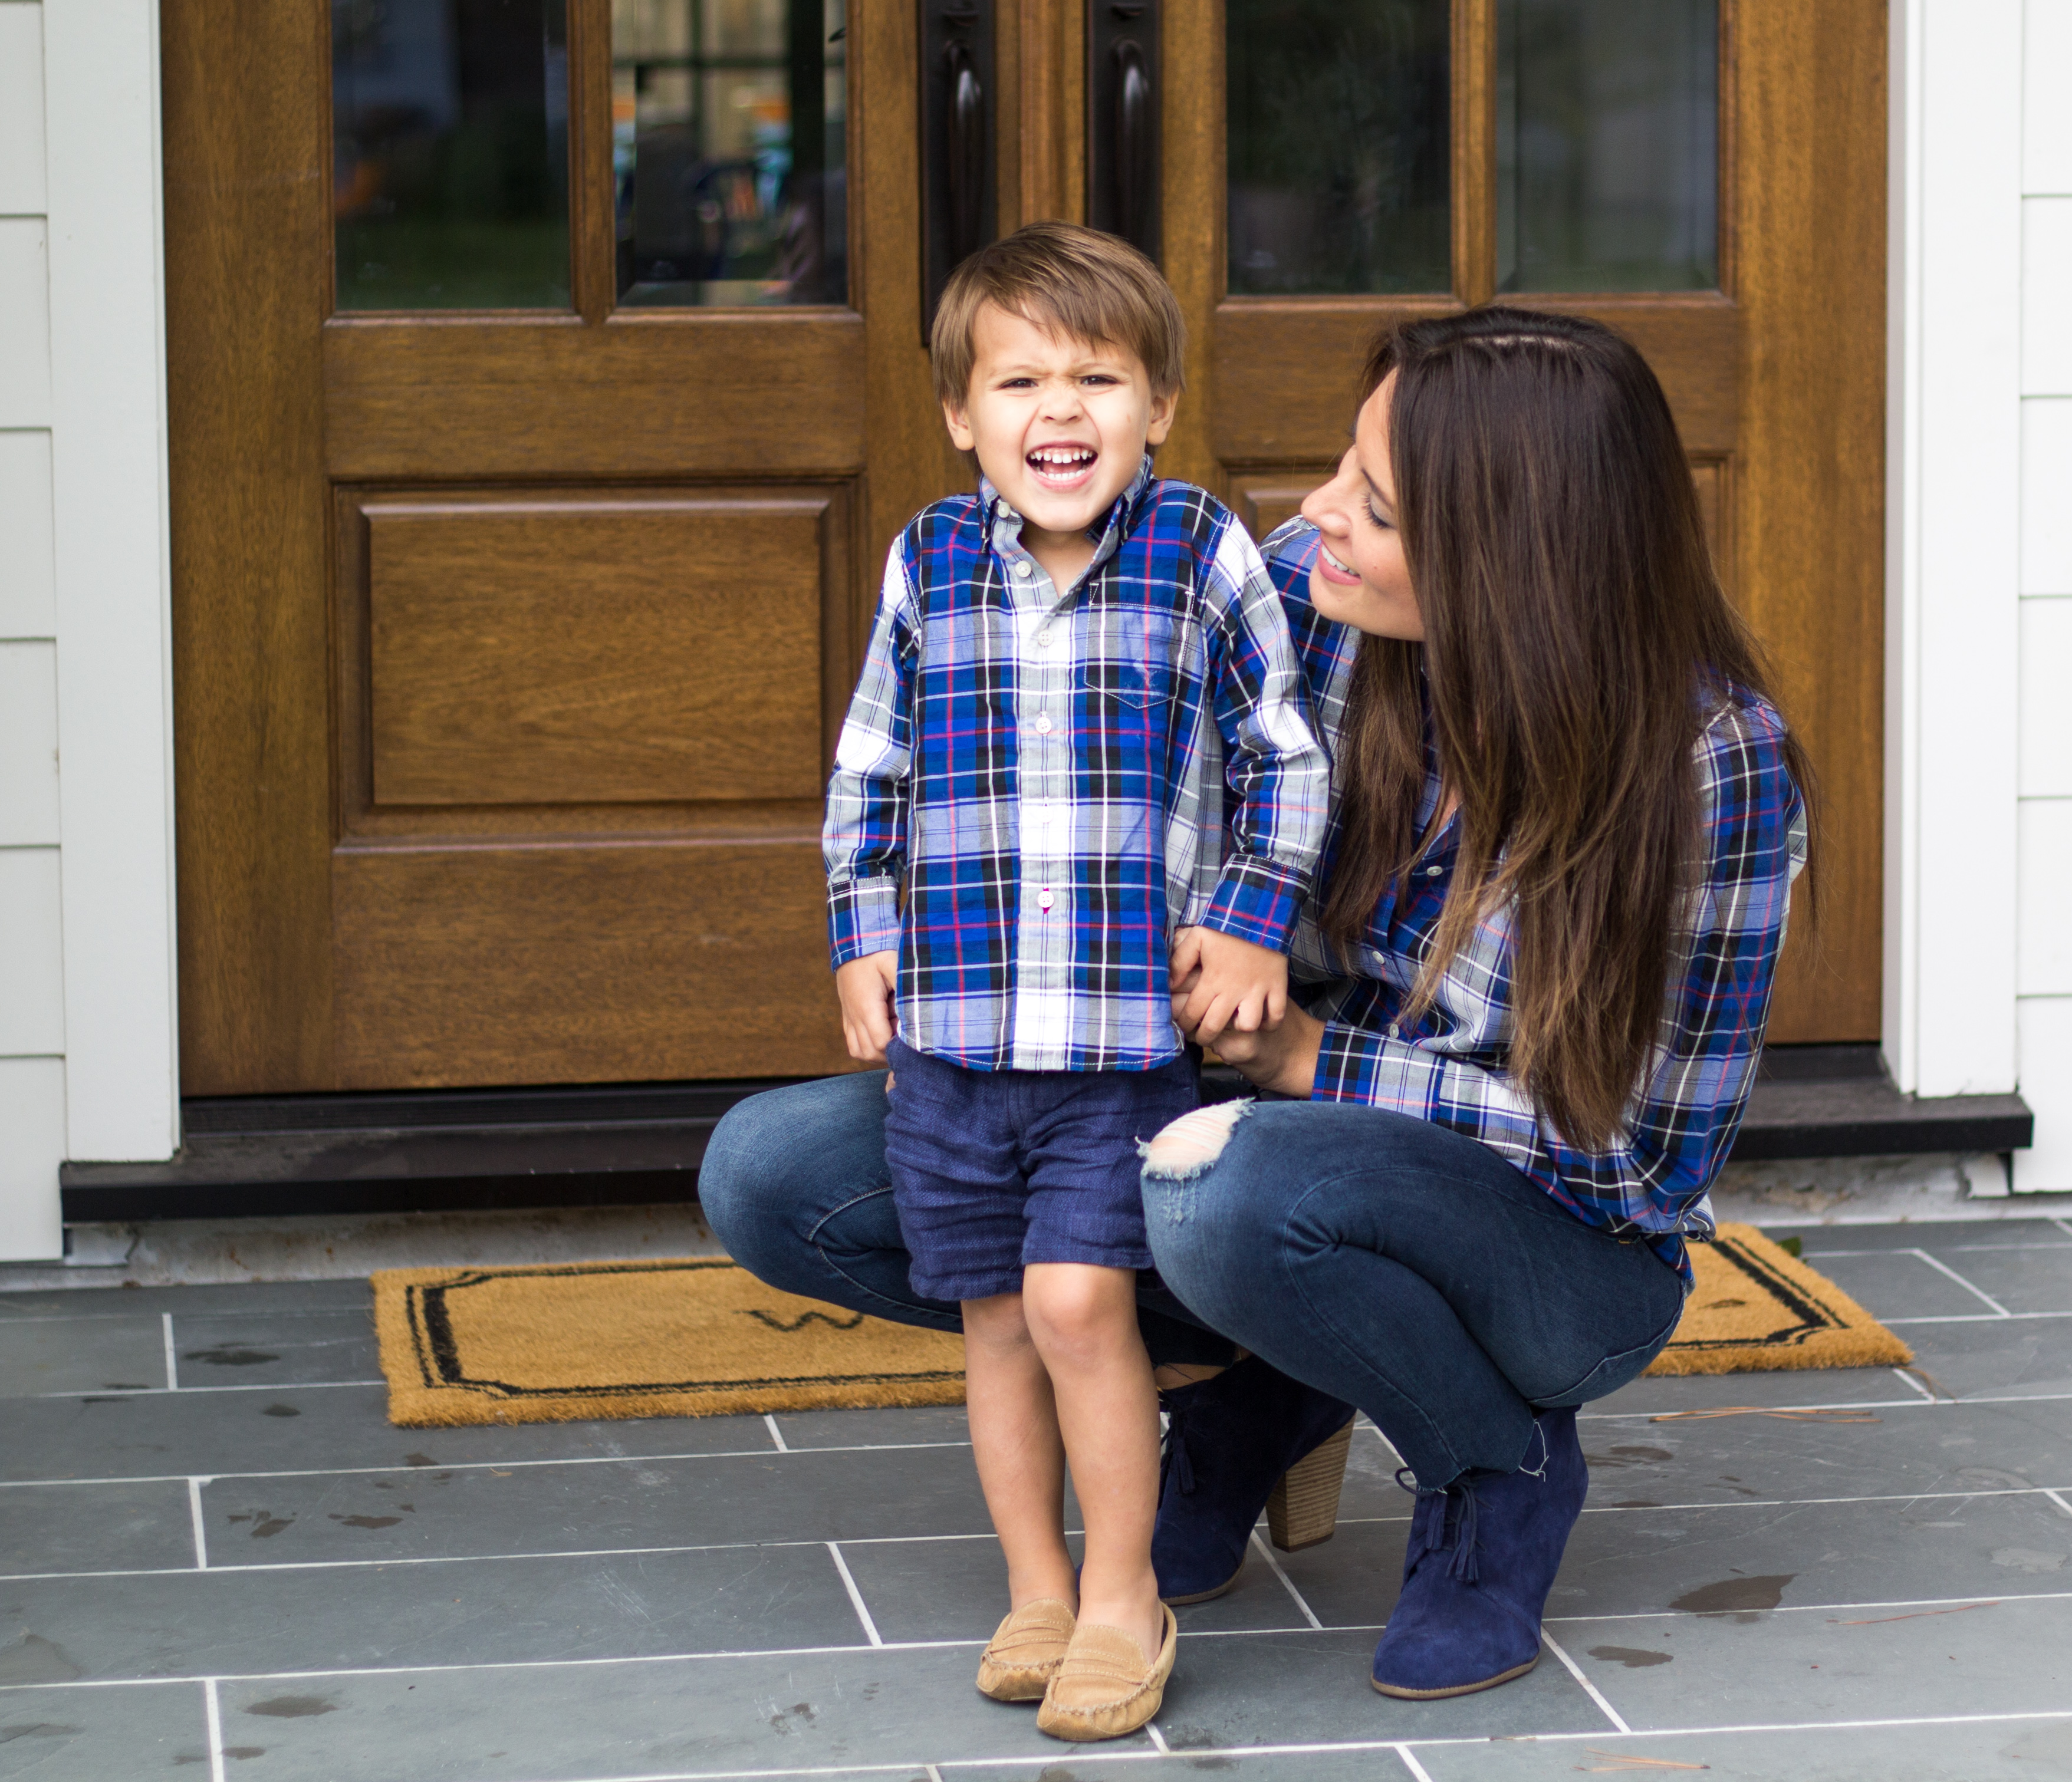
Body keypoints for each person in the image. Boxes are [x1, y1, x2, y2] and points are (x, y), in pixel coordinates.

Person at [703, 304, 1807, 1708]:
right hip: (1231, 1127)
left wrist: (1301, 1061)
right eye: (1345, 470)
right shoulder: (1300, 594)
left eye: (1375, 506)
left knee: (1222, 1191)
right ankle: (1256, 1388)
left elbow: (1641, 1165)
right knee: (775, 1177)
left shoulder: (1710, 769)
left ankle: (1495, 1468)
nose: (1316, 513)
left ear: (1513, 559)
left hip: (1555, 1247)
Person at [823, 220, 1329, 1740]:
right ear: (960, 415)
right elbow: (871, 768)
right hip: (958, 1042)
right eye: (1020, 380)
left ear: (1158, 406)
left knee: (1075, 1304)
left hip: (1115, 1039)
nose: (1060, 411)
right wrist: (861, 931)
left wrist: (1247, 918)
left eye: (1098, 378)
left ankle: (1126, 1594)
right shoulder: (926, 558)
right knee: (991, 1317)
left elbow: (1284, 760)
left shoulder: (1198, 554)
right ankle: (1034, 1586)